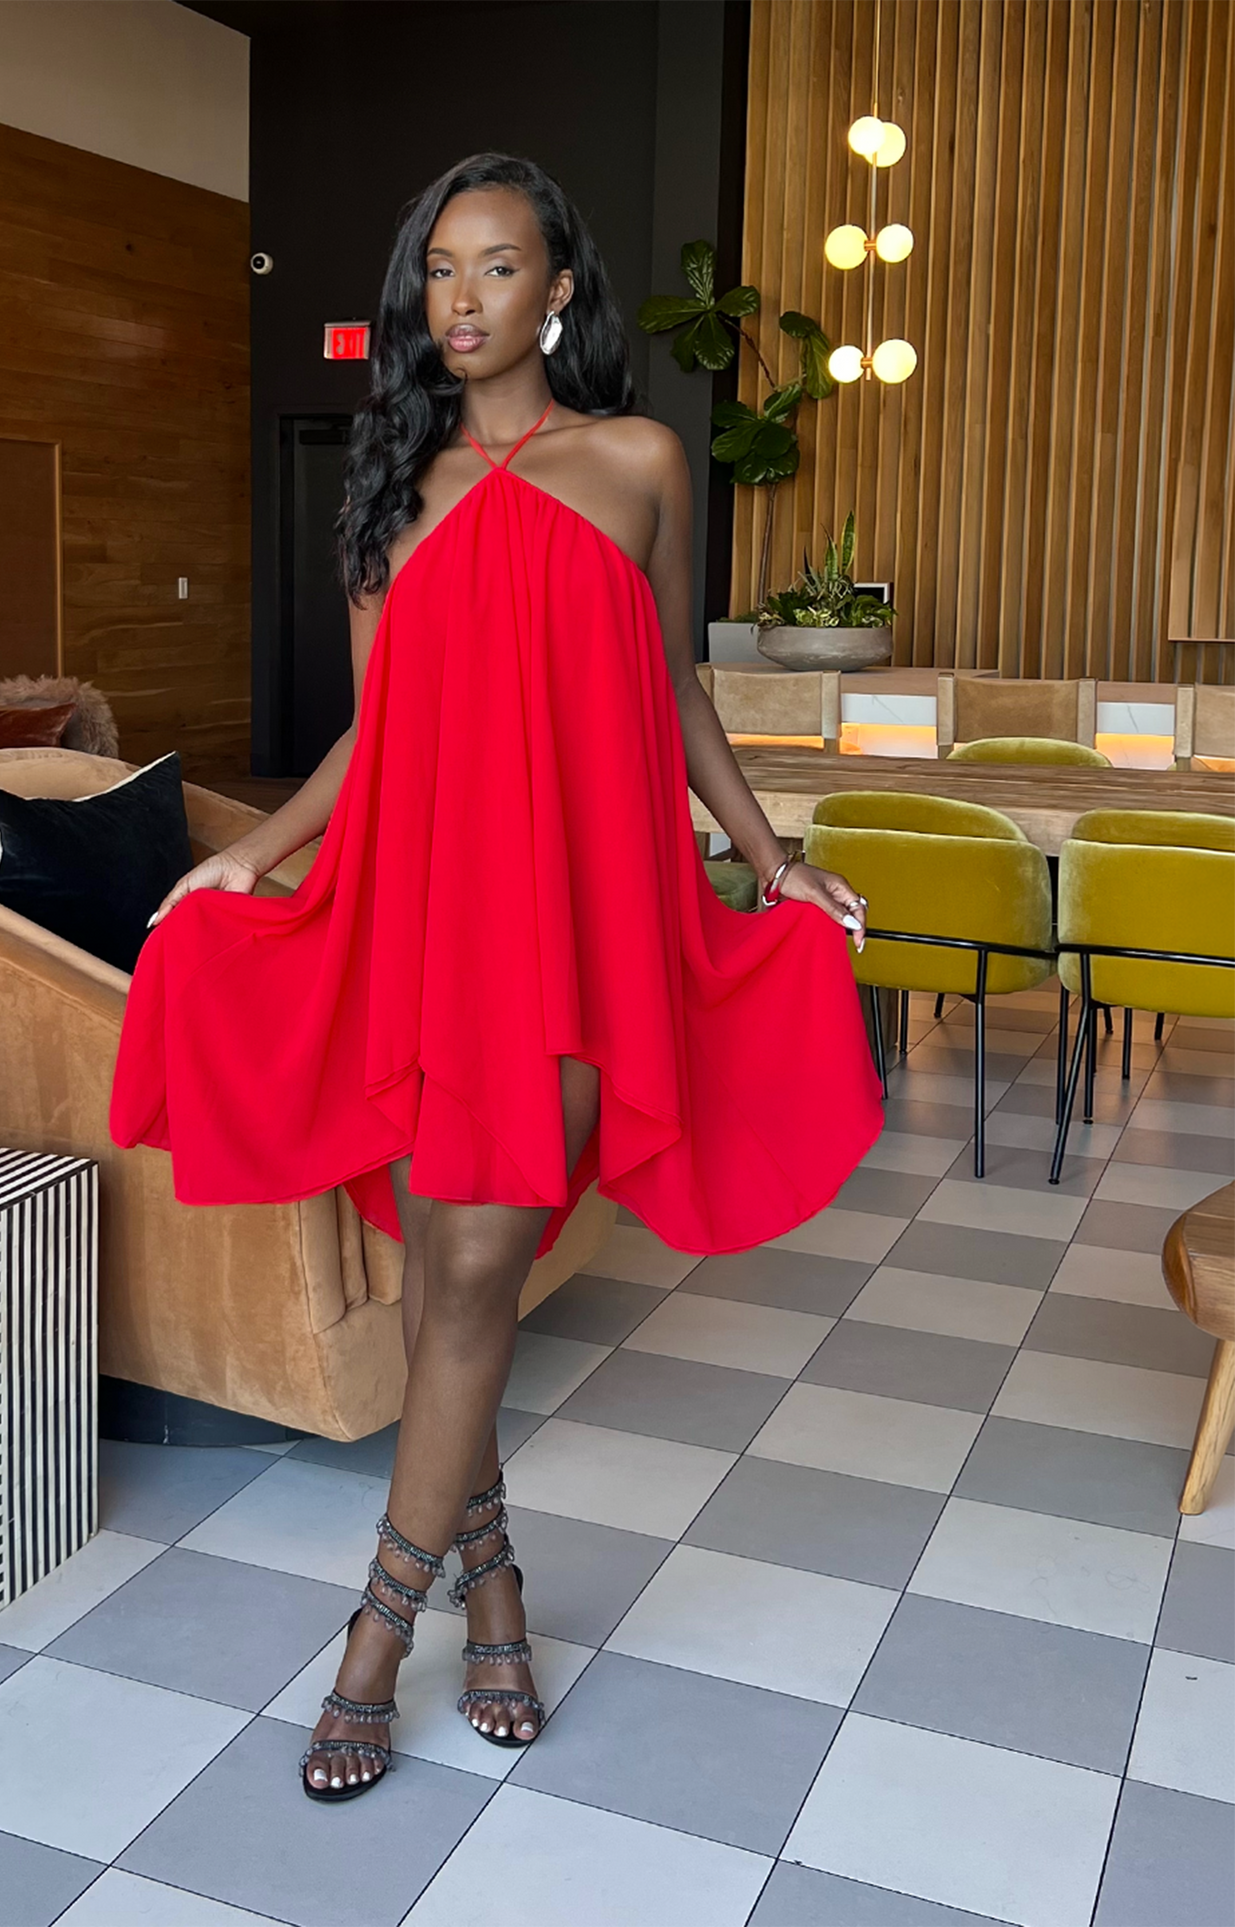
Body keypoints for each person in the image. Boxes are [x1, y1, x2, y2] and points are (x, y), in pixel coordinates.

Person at [110, 152, 883, 1802]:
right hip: (427, 918)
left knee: (472, 1270)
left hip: (587, 920)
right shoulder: (395, 488)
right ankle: (498, 1594)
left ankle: (377, 1641)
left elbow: (679, 688)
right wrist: (257, 851)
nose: (461, 301)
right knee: (458, 1280)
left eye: (497, 268)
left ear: (561, 290)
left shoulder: (642, 462)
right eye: (439, 273)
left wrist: (767, 853)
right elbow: (370, 736)